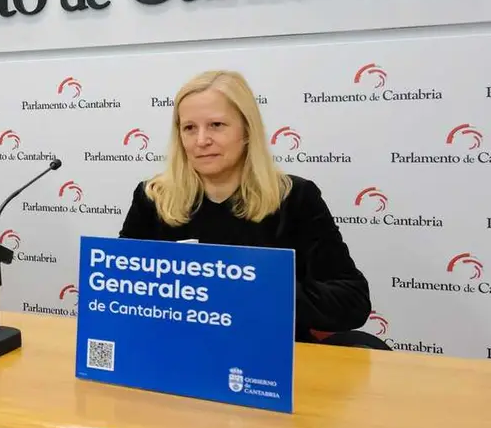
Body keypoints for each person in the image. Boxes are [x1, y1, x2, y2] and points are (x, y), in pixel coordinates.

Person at [118, 70, 371, 342]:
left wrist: (259, 290)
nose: (201, 140)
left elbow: (352, 300)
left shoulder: (295, 197)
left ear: (247, 130)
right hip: (179, 349)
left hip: (268, 355)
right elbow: (118, 290)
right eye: (189, 127)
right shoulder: (153, 198)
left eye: (216, 125)